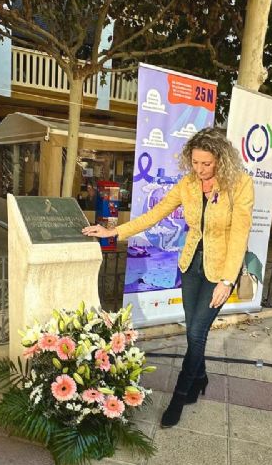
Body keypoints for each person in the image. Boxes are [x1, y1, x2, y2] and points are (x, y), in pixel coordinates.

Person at [82, 128, 254, 428]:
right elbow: (156, 213)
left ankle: (179, 396)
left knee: (198, 332)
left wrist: (227, 281)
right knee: (192, 331)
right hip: (190, 265)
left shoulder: (240, 185)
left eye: (206, 164)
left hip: (220, 270)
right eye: (195, 162)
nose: (199, 170)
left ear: (221, 161)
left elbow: (239, 235)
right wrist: (114, 231)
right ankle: (200, 378)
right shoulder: (188, 184)